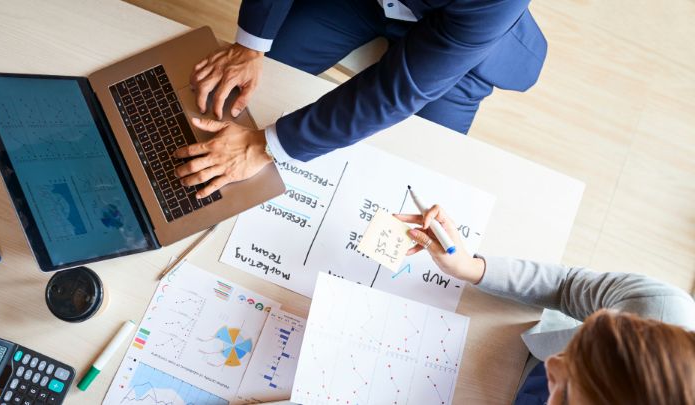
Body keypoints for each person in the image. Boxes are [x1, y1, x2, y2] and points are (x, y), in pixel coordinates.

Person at [174, 0, 547, 199]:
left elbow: (396, 91)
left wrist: (263, 146)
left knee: (416, 173)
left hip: (460, 50)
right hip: (358, 3)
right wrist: (250, 46)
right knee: (243, 98)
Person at [394, 205, 695, 405]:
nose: (553, 362)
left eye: (571, 388)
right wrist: (469, 268)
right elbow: (567, 287)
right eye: (582, 345)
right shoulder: (658, 308)